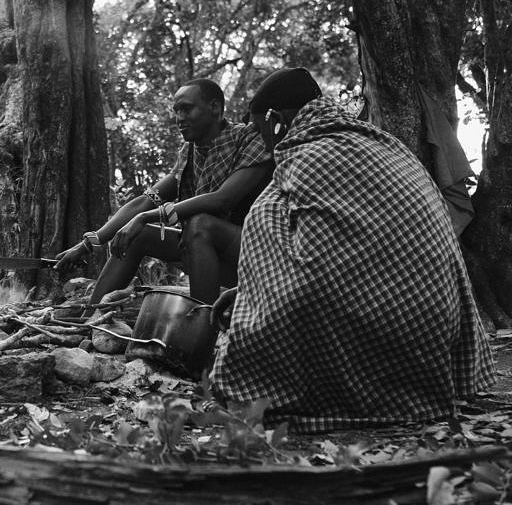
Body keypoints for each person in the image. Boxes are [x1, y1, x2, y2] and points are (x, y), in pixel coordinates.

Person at [210, 67, 494, 430]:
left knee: (266, 212)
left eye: (258, 130)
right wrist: (246, 289)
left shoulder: (304, 155)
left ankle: (292, 390)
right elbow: (362, 258)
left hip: (381, 346)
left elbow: (319, 272)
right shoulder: (387, 145)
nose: (260, 140)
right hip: (434, 348)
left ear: (276, 119)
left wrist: (253, 304)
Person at [54, 78, 274, 305]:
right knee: (139, 234)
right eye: (176, 111)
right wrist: (88, 244)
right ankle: (93, 314)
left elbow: (223, 199)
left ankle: (201, 323)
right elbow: (144, 202)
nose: (179, 119)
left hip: (252, 254)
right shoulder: (189, 153)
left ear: (215, 108)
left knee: (200, 224)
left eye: (187, 109)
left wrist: (148, 216)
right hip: (203, 251)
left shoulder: (249, 139)